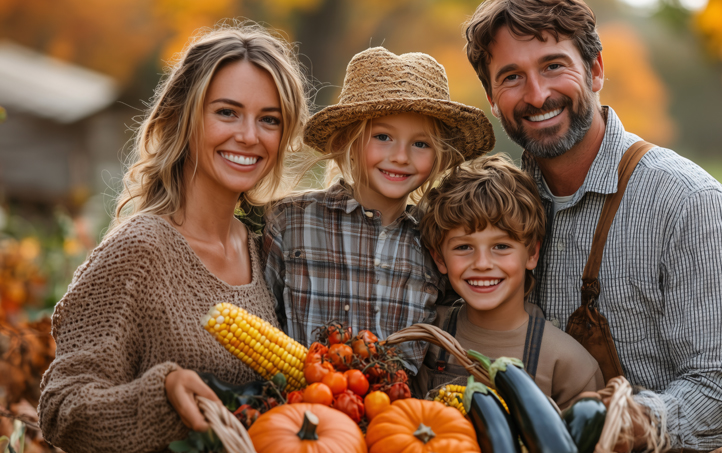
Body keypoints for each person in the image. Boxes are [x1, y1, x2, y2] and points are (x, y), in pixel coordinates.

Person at [463, 1, 722, 451]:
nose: (537, 95)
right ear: (491, 97)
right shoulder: (497, 209)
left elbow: (720, 389)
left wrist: (613, 426)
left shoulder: (690, 204)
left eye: (553, 66)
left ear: (595, 70)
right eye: (511, 76)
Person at [38, 23, 310, 452]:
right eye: (226, 112)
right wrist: (162, 394)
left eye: (269, 120)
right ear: (183, 116)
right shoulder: (141, 249)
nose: (249, 136)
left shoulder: (262, 244)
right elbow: (61, 408)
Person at [263, 46, 495, 372]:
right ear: (348, 140)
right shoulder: (291, 221)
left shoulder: (435, 237)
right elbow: (259, 314)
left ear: (438, 155)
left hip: (397, 414)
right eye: (383, 136)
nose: (401, 156)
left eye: (420, 143)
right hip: (306, 408)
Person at [413, 154, 604, 409]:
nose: (482, 263)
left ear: (532, 253)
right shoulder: (427, 335)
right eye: (463, 247)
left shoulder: (568, 364)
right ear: (440, 258)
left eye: (501, 246)